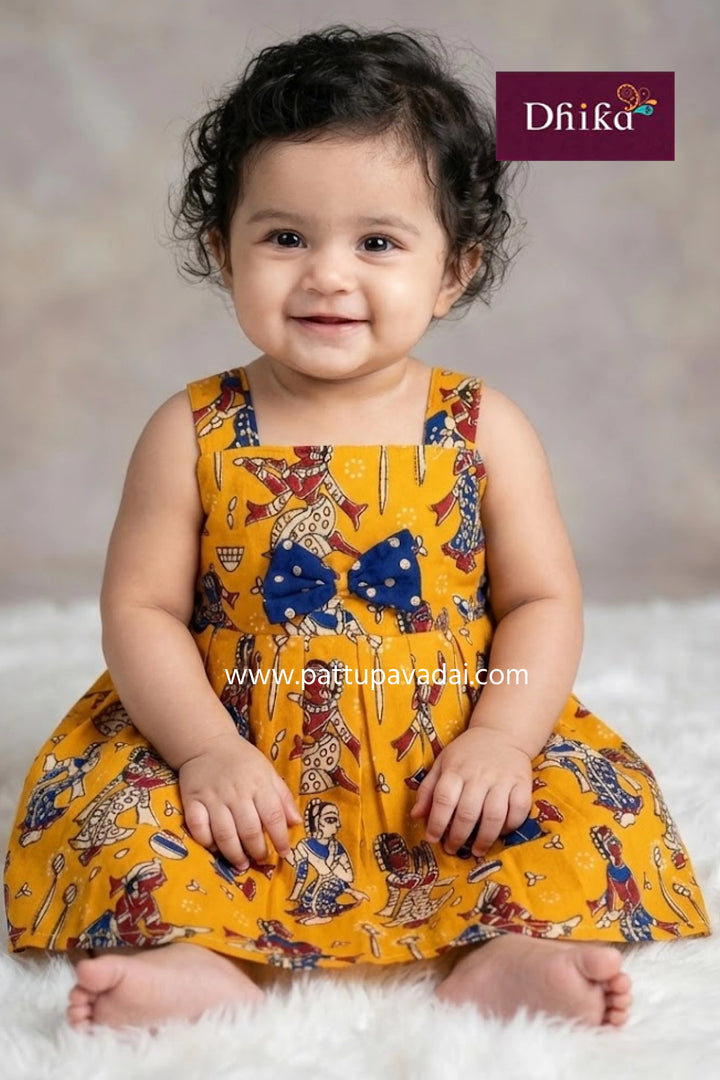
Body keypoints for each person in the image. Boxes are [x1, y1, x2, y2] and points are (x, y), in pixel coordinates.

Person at [4, 24, 710, 1034]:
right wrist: (204, 750)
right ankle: (198, 965)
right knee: (115, 818)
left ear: (454, 269)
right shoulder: (192, 428)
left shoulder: (482, 428)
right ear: (223, 250)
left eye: (377, 242)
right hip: (238, 740)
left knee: (577, 809)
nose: (329, 275)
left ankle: (511, 949)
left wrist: (504, 739)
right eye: (285, 237)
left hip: (446, 745)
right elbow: (142, 609)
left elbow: (542, 600)